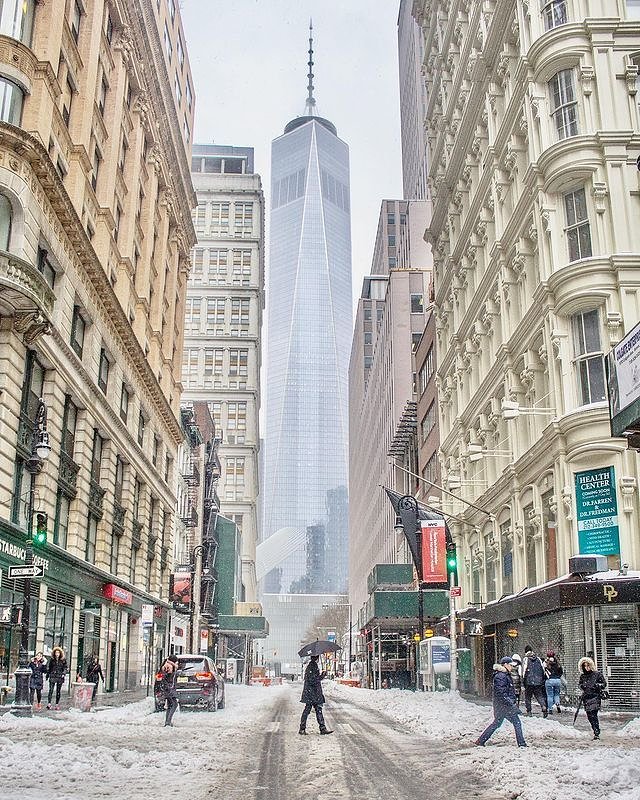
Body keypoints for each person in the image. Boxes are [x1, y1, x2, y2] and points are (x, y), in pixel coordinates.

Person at [475, 657, 527, 748]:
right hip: (504, 706)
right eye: (511, 665)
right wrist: (511, 703)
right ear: (505, 665)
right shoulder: (502, 676)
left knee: (497, 723)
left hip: (501, 705)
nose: (512, 667)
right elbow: (501, 693)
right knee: (516, 722)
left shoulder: (503, 675)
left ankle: (481, 740)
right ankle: (521, 743)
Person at [299, 654, 332, 735]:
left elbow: (313, 679)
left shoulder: (312, 665)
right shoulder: (312, 666)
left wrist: (321, 675)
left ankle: (321, 728)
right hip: (312, 693)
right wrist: (322, 676)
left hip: (312, 693)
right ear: (317, 658)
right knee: (311, 710)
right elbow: (313, 680)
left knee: (316, 710)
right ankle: (303, 729)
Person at [579, 656, 607, 740]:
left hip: (595, 696)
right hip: (586, 697)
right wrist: (582, 686)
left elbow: (604, 684)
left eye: (588, 665)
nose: (586, 668)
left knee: (593, 714)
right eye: (585, 666)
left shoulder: (597, 674)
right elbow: (579, 684)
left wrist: (597, 685)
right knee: (589, 716)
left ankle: (596, 732)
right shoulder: (583, 676)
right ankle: (595, 729)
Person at [522, 645, 548, 718]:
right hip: (538, 681)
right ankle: (543, 706)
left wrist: (523, 681)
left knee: (528, 697)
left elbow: (524, 671)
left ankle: (529, 711)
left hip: (529, 681)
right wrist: (541, 679)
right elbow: (543, 669)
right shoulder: (538, 659)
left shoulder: (526, 659)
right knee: (539, 695)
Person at [160, 658, 178, 727]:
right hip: (170, 687)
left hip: (166, 687)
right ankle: (168, 722)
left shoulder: (165, 665)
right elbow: (175, 668)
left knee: (170, 705)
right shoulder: (171, 666)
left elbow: (164, 675)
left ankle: (167, 721)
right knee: (174, 704)